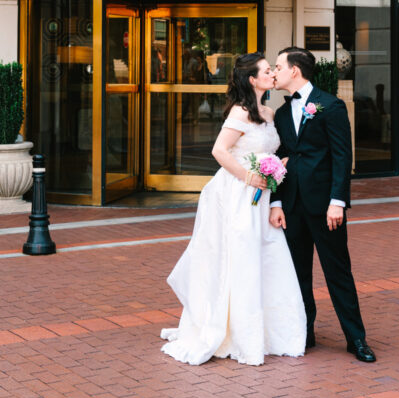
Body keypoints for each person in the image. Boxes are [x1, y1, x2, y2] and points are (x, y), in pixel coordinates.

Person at [160, 52, 306, 366]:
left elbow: (272, 149)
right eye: (267, 71)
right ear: (253, 80)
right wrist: (250, 177)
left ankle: (268, 330)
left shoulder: (268, 112)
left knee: (264, 257)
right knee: (239, 258)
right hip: (238, 195)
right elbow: (219, 150)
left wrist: (278, 166)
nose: (272, 74)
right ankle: (234, 331)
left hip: (262, 197)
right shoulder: (241, 112)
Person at [270, 46, 376, 363]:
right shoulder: (280, 113)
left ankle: (356, 339)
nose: (274, 72)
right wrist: (276, 201)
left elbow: (343, 158)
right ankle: (306, 331)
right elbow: (278, 158)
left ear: (295, 71)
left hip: (325, 206)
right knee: (297, 274)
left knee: (337, 272)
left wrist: (338, 201)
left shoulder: (330, 106)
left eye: (278, 66)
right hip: (291, 206)